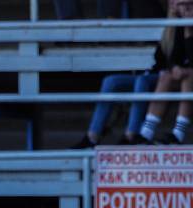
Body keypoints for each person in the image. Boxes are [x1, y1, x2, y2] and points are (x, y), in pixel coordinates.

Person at [71, 0, 174, 148]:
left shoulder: (189, 27)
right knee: (111, 81)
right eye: (177, 4)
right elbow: (160, 58)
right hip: (155, 72)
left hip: (171, 76)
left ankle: (131, 135)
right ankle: (92, 137)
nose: (180, 7)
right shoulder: (169, 27)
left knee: (142, 81)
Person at [137, 0, 193, 145]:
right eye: (183, 5)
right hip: (188, 73)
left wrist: (189, 33)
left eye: (191, 4)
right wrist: (175, 68)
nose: (187, 9)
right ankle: (146, 133)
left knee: (188, 76)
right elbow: (173, 57)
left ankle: (178, 134)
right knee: (166, 76)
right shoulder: (179, 25)